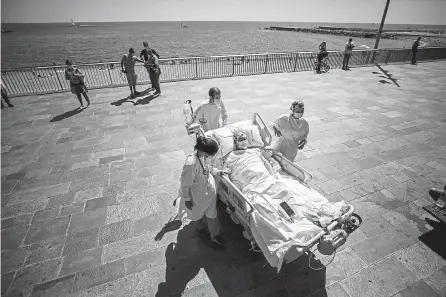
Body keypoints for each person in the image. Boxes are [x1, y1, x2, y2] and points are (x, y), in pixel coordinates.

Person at [179, 136, 226, 248]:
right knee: (197, 214)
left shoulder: (203, 156)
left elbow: (207, 167)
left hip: (209, 189)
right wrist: (186, 199)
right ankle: (200, 228)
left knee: (212, 214)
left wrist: (216, 171)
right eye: (209, 155)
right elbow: (185, 184)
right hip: (198, 194)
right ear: (202, 150)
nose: (210, 157)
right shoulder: (191, 164)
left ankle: (215, 235)